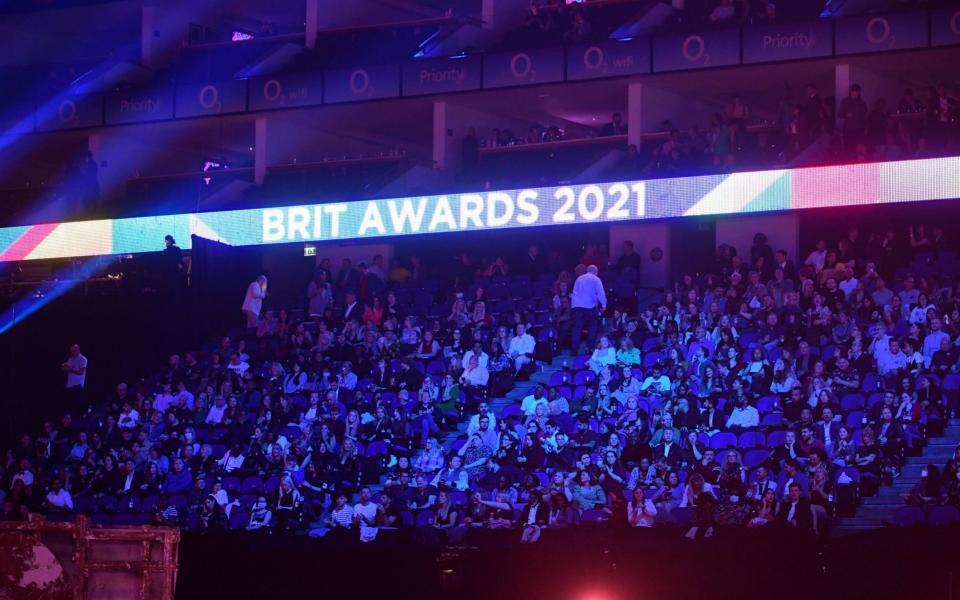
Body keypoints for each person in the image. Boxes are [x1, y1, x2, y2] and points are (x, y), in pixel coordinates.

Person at [570, 265, 607, 354]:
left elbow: (574, 293)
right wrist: (604, 305)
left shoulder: (579, 278)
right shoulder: (596, 279)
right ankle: (590, 348)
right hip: (590, 307)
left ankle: (574, 350)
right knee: (592, 327)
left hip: (577, 307)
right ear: (595, 271)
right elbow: (601, 293)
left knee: (577, 328)